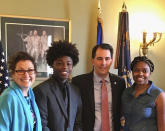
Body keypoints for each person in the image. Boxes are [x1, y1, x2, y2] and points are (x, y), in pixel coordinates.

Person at [72, 43, 126, 131]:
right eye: (99, 59)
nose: (103, 63)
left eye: (107, 59)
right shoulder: (79, 82)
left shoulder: (120, 83)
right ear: (92, 60)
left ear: (111, 61)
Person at [33, 41, 82, 131]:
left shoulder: (76, 90)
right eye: (60, 63)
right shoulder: (40, 90)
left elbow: (78, 122)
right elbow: (42, 125)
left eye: (68, 64)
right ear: (52, 64)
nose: (65, 67)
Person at [0, 51, 42, 131]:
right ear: (13, 74)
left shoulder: (30, 95)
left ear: (35, 73)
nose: (26, 75)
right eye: (20, 71)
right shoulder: (8, 97)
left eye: (30, 70)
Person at [122, 56, 165, 131]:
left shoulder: (159, 95)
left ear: (150, 73)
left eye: (145, 71)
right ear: (132, 72)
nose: (140, 74)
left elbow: (162, 127)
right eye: (136, 70)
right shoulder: (126, 92)